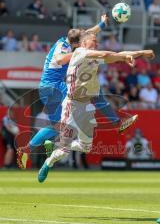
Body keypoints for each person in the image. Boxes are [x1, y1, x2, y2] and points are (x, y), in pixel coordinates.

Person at [38, 31, 155, 182]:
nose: (96, 43)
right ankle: (48, 162)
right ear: (83, 43)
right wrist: (123, 57)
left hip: (87, 106)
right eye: (93, 41)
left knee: (85, 147)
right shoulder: (79, 52)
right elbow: (107, 54)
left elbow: (115, 55)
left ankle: (53, 147)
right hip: (72, 105)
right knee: (64, 151)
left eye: (97, 42)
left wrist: (141, 53)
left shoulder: (94, 57)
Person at [17, 15, 110, 168]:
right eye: (82, 42)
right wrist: (79, 54)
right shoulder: (64, 47)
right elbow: (60, 59)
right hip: (53, 87)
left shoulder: (69, 40)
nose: (85, 43)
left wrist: (101, 24)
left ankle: (27, 149)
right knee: (74, 109)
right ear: (76, 43)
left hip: (51, 87)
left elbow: (88, 33)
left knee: (59, 126)